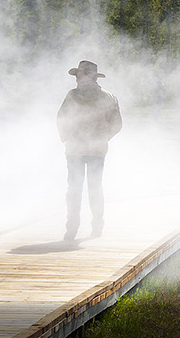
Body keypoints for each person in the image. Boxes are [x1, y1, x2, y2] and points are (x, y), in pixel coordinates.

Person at [57, 60, 122, 241]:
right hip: (90, 149)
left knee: (78, 189)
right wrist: (102, 138)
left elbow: (61, 119)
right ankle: (92, 226)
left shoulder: (76, 96)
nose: (76, 78)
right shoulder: (107, 97)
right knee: (88, 188)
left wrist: (69, 137)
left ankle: (76, 228)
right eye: (77, 75)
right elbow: (117, 124)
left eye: (79, 74)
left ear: (89, 76)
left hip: (80, 149)